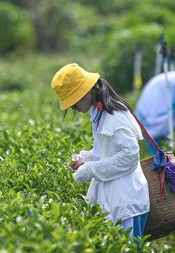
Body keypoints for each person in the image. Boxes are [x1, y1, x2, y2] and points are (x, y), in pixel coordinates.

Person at [51, 63, 150, 240]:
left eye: (73, 102)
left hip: (127, 203)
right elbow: (109, 150)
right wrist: (86, 158)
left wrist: (91, 169)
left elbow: (130, 156)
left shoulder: (115, 116)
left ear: (85, 93)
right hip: (114, 199)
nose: (73, 108)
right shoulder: (99, 112)